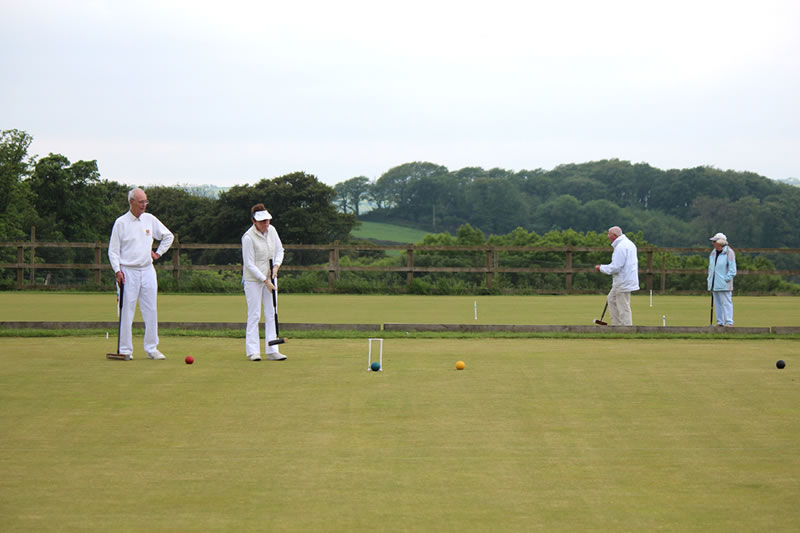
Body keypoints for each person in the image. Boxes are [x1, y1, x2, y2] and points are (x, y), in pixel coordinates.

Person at [108, 188, 174, 360]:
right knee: (126, 311)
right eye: (141, 202)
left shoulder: (149, 219)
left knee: (151, 310)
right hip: (127, 271)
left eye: (146, 202)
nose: (144, 205)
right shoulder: (121, 223)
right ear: (131, 202)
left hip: (147, 269)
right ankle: (125, 349)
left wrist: (158, 253)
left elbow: (168, 236)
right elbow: (113, 251)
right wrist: (117, 270)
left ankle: (152, 348)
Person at [242, 204, 286, 361]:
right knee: (254, 314)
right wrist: (264, 280)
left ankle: (272, 349)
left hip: (271, 276)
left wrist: (276, 266)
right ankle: (253, 351)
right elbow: (249, 264)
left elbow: (280, 250)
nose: (266, 224)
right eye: (262, 221)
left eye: (267, 220)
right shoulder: (248, 237)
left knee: (271, 312)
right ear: (254, 220)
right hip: (253, 280)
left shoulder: (272, 230)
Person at [594, 226, 639, 326]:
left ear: (614, 236)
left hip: (623, 282)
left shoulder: (621, 247)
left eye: (609, 234)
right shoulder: (627, 244)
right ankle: (617, 325)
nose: (608, 236)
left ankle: (627, 328)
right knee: (611, 299)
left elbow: (616, 267)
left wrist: (601, 268)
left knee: (623, 306)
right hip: (623, 280)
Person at [707, 232, 737, 327]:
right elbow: (711, 268)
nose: (713, 243)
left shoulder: (729, 252)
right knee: (717, 304)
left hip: (724, 284)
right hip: (714, 283)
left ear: (720, 242)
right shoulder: (713, 253)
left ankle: (729, 322)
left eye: (714, 241)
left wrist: (726, 279)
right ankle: (719, 322)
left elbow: (732, 269)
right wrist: (710, 279)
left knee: (726, 302)